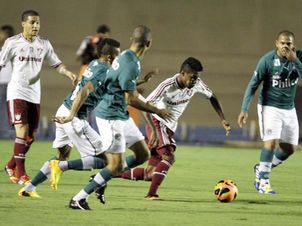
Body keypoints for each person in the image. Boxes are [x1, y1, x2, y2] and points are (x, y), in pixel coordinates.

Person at [52, 25, 173, 210]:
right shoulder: (131, 62)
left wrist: (141, 82)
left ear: (132, 39)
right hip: (110, 116)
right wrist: (157, 110)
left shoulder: (125, 56)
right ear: (149, 43)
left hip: (120, 114)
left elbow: (117, 83)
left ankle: (102, 176)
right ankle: (79, 198)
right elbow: (130, 98)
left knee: (142, 154)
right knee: (114, 165)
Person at [18, 38, 121, 198]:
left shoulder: (94, 64)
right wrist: (72, 116)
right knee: (107, 161)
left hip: (63, 109)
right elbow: (84, 91)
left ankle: (29, 188)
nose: (119, 58)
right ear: (109, 57)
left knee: (62, 156)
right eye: (118, 55)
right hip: (74, 117)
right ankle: (60, 167)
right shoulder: (104, 70)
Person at [121, 57, 231, 200]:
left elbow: (212, 97)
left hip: (169, 127)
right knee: (169, 156)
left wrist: (222, 119)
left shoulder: (197, 83)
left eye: (197, 78)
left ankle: (111, 173)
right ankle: (151, 194)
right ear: (182, 73)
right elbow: (145, 107)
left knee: (150, 174)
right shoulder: (167, 85)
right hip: (158, 122)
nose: (195, 81)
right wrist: (153, 129)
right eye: (192, 77)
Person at [0, 10, 77, 185]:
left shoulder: (44, 44)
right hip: (16, 93)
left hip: (34, 95)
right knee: (22, 131)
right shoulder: (12, 43)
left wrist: (68, 73)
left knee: (30, 137)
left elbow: (57, 64)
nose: (35, 26)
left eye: (38, 23)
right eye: (32, 22)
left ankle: (10, 165)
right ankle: (22, 174)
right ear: (23, 24)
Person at [237, 30, 302, 195]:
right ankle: (263, 182)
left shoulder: (298, 56)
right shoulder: (267, 61)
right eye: (282, 43)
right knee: (271, 143)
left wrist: (295, 60)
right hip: (269, 106)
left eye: (288, 43)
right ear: (276, 43)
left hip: (289, 108)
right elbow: (253, 85)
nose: (285, 46)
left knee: (289, 149)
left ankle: (262, 168)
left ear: (293, 44)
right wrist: (244, 109)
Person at [0, 25, 15, 138]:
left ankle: (5, 132)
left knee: (6, 109)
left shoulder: (12, 48)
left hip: (7, 82)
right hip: (4, 82)